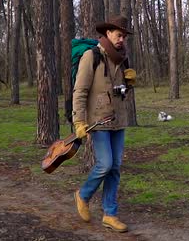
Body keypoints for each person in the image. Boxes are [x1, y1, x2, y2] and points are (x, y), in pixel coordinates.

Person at [72, 15, 137, 233]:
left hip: (118, 120)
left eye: (124, 37)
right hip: (97, 121)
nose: (122, 40)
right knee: (105, 164)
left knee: (116, 167)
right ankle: (83, 195)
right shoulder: (92, 56)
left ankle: (110, 214)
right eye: (119, 35)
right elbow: (79, 91)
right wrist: (79, 121)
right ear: (108, 33)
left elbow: (121, 95)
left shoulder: (122, 58)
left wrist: (129, 84)